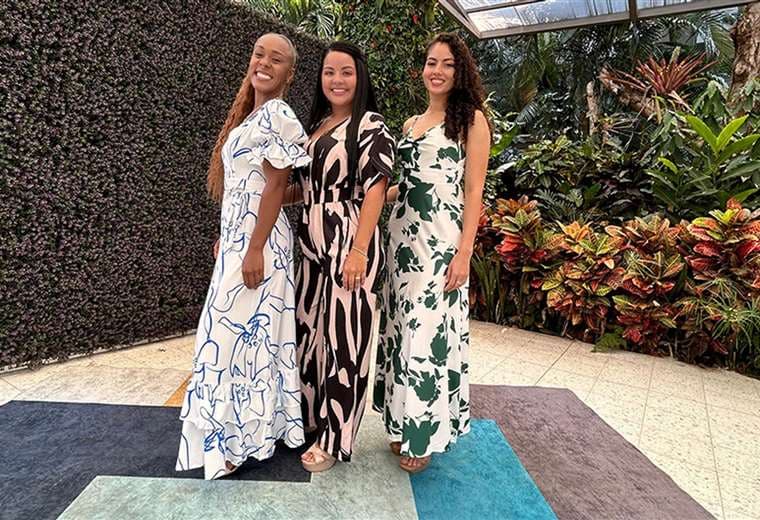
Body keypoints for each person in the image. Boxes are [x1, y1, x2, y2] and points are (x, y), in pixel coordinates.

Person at [175, 33, 310, 480]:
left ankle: (238, 442)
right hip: (241, 241)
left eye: (277, 59)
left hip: (261, 246)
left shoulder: (279, 115)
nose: (264, 63)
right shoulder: (250, 116)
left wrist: (253, 246)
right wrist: (229, 235)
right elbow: (243, 188)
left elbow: (276, 186)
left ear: (289, 73)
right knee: (231, 340)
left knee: (240, 343)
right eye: (259, 54)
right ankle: (241, 435)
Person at [373, 32, 491, 474]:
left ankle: (422, 435)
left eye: (447, 64)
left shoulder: (472, 122)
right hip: (401, 242)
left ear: (460, 72)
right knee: (400, 332)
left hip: (440, 247)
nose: (437, 71)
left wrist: (464, 253)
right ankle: (400, 422)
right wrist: (367, 199)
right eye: (431, 62)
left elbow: (474, 191)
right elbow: (405, 185)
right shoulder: (410, 124)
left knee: (426, 336)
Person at [291, 41, 395, 472]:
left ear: (360, 76)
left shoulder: (370, 124)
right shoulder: (317, 125)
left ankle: (335, 438)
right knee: (308, 334)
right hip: (310, 240)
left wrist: (359, 249)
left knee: (344, 341)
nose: (336, 80)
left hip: (348, 238)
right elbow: (301, 189)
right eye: (329, 71)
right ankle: (312, 420)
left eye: (346, 72)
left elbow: (376, 188)